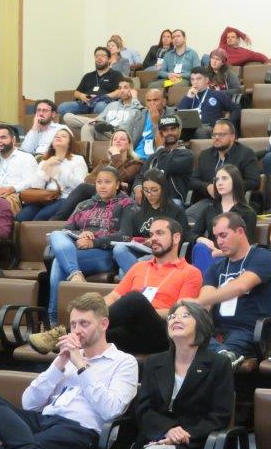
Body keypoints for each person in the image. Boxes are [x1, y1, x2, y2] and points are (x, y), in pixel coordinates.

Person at [0, 292, 138, 449]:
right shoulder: (66, 357)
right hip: (45, 421)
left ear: (104, 324)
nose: (77, 330)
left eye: (84, 323)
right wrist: (60, 363)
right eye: (73, 324)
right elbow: (29, 404)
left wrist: (80, 365)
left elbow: (112, 410)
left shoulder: (124, 362)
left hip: (80, 432)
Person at [128, 301, 233, 449]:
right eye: (172, 316)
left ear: (201, 324)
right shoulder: (154, 362)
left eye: (185, 315)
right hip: (156, 437)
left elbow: (220, 416)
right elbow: (144, 409)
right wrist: (168, 430)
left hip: (194, 443)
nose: (176, 319)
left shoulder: (219, 364)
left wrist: (183, 435)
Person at [183, 212, 271, 367]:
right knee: (184, 335)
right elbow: (205, 302)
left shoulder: (262, 256)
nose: (219, 242)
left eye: (223, 235)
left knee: (207, 357)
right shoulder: (216, 267)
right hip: (218, 333)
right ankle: (223, 355)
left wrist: (198, 301)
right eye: (216, 237)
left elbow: (241, 286)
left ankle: (222, 356)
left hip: (249, 331)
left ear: (240, 232)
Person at [47, 166, 136, 322]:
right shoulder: (84, 204)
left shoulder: (126, 204)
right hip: (78, 251)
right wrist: (80, 234)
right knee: (56, 234)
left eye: (107, 182)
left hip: (105, 254)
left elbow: (125, 236)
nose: (102, 186)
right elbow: (66, 229)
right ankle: (75, 274)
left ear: (117, 184)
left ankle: (54, 320)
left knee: (58, 263)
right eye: (99, 182)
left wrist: (94, 242)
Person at [102, 217, 202, 354]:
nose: (153, 238)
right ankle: (81, 329)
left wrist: (142, 311)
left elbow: (181, 312)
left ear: (176, 238)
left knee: (135, 299)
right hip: (130, 330)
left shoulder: (191, 272)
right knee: (95, 334)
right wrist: (95, 309)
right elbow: (113, 297)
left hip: (164, 333)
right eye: (151, 234)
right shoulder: (139, 267)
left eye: (159, 233)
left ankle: (88, 324)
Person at [50, 129, 143, 222]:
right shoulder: (104, 162)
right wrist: (109, 182)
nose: (118, 141)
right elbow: (88, 179)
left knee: (83, 188)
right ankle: (64, 222)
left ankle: (56, 220)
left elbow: (124, 177)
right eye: (115, 139)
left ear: (129, 145)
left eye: (122, 139)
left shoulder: (135, 163)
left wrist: (116, 156)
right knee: (84, 189)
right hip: (100, 193)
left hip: (119, 197)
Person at [113, 169, 190, 274]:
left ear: (163, 189)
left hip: (163, 253)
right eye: (145, 190)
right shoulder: (139, 213)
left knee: (122, 271)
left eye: (154, 190)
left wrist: (156, 240)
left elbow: (182, 238)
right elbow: (133, 237)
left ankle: (138, 277)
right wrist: (142, 241)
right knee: (119, 249)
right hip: (143, 251)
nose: (149, 194)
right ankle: (141, 278)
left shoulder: (175, 210)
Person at [186, 119, 260, 223]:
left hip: (236, 201)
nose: (216, 137)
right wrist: (207, 187)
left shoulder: (246, 154)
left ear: (232, 137)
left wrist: (230, 187)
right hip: (210, 201)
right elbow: (192, 180)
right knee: (188, 216)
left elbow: (254, 182)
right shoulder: (205, 155)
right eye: (214, 134)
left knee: (224, 222)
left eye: (221, 134)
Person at [189, 165, 257, 275]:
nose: (219, 183)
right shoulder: (209, 209)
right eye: (217, 180)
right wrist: (201, 239)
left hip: (234, 258)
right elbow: (191, 234)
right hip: (210, 255)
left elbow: (247, 244)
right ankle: (209, 283)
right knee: (200, 247)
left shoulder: (247, 212)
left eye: (224, 178)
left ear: (235, 181)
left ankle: (209, 283)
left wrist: (221, 253)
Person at [17, 128, 89, 222]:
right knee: (21, 218)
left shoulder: (77, 159)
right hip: (43, 198)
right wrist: (46, 166)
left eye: (63, 136)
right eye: (56, 136)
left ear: (70, 144)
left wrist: (60, 170)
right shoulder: (45, 161)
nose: (58, 137)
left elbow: (80, 185)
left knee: (40, 218)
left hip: (64, 198)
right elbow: (36, 186)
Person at [132, 114, 194, 206]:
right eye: (165, 130)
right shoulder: (153, 156)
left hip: (172, 201)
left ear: (180, 130)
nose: (169, 133)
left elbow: (164, 168)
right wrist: (138, 187)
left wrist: (160, 147)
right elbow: (141, 176)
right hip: (149, 199)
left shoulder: (186, 154)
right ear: (160, 134)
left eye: (173, 129)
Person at [63, 77, 144, 142]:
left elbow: (139, 116)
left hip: (118, 134)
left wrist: (134, 98)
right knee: (68, 117)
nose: (122, 90)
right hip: (104, 130)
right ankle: (87, 155)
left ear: (133, 90)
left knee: (88, 127)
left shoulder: (136, 107)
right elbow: (101, 118)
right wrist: (95, 120)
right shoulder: (112, 105)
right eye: (120, 88)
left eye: (125, 88)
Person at [0, 124, 38, 214]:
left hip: (12, 197)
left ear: (13, 140)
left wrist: (13, 188)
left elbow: (32, 181)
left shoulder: (26, 157)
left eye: (3, 137)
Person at [177, 66, 239, 140]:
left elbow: (236, 108)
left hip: (210, 129)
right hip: (191, 129)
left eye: (198, 79)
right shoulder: (189, 96)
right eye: (192, 79)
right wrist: (189, 97)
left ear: (207, 80)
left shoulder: (217, 94)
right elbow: (180, 114)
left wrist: (230, 123)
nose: (195, 82)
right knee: (175, 130)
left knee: (202, 131)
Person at [57, 47, 123, 116]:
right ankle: (84, 119)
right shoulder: (88, 76)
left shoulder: (116, 74)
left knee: (100, 106)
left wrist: (101, 97)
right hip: (85, 104)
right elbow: (76, 92)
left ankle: (93, 120)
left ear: (109, 59)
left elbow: (119, 91)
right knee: (62, 107)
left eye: (103, 55)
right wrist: (81, 96)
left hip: (103, 102)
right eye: (97, 56)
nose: (99, 58)